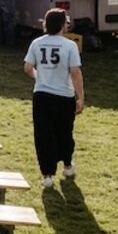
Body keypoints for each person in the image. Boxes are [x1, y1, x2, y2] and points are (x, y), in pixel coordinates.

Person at [24, 9, 84, 188]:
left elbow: (28, 67)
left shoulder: (36, 43)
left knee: (43, 134)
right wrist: (80, 97)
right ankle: (67, 165)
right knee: (64, 132)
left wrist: (39, 77)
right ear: (60, 24)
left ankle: (47, 174)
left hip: (41, 95)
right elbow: (75, 72)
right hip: (63, 96)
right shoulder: (69, 45)